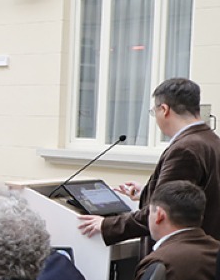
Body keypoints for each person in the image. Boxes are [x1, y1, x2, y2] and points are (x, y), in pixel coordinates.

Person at [79, 78, 220, 249]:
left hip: (178, 255)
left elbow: (166, 211)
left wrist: (106, 225)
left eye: (154, 112)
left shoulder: (184, 149)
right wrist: (146, 192)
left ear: (164, 109)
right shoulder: (211, 140)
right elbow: (194, 194)